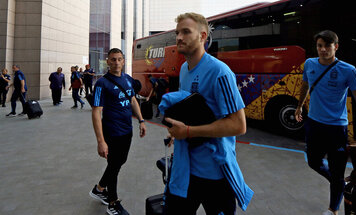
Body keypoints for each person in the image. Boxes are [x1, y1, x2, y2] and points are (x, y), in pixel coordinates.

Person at [163, 12, 253, 215]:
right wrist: (175, 132)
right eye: (177, 32)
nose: (179, 37)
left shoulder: (220, 72)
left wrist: (188, 131)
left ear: (202, 36)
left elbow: (239, 125)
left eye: (186, 32)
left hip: (215, 176)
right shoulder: (185, 69)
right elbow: (189, 109)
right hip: (185, 170)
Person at [294, 30, 356, 215]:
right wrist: (299, 106)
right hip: (314, 124)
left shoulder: (348, 70)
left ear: (336, 47)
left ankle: (333, 208)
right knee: (313, 162)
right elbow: (305, 85)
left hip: (337, 127)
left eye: (327, 46)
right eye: (320, 46)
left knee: (337, 170)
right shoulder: (309, 64)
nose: (323, 50)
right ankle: (339, 182)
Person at [89, 48, 147, 215]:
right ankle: (113, 203)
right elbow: (96, 111)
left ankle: (99, 188)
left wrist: (141, 120)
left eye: (119, 59)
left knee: (119, 162)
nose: (116, 62)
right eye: (113, 59)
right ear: (107, 61)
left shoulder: (128, 79)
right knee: (114, 165)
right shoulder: (102, 83)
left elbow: (133, 99)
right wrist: (101, 141)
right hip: (112, 131)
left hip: (126, 130)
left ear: (123, 61)